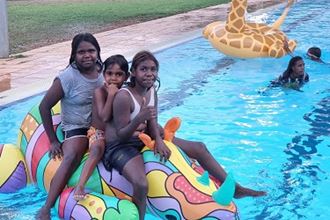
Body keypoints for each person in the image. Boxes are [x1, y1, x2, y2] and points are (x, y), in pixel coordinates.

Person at [103, 50, 266, 220]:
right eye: (144, 69)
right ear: (133, 73)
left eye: (153, 69)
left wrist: (159, 140)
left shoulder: (151, 91)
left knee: (199, 148)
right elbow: (121, 135)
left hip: (143, 138)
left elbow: (152, 120)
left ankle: (235, 189)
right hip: (120, 146)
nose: (149, 73)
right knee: (141, 184)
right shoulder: (124, 96)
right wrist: (139, 119)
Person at [37, 33, 104, 220]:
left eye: (91, 50)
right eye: (81, 52)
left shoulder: (105, 71)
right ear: (73, 55)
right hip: (76, 126)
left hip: (100, 124)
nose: (87, 55)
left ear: (98, 52)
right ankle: (46, 207)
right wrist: (52, 140)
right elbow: (44, 106)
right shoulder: (67, 78)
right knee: (72, 156)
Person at [73, 55, 130, 200]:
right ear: (103, 75)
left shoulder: (125, 93)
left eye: (119, 74)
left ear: (126, 76)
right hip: (98, 132)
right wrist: (111, 95)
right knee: (98, 148)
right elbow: (104, 116)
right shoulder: (99, 92)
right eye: (109, 73)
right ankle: (80, 184)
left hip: (117, 132)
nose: (113, 78)